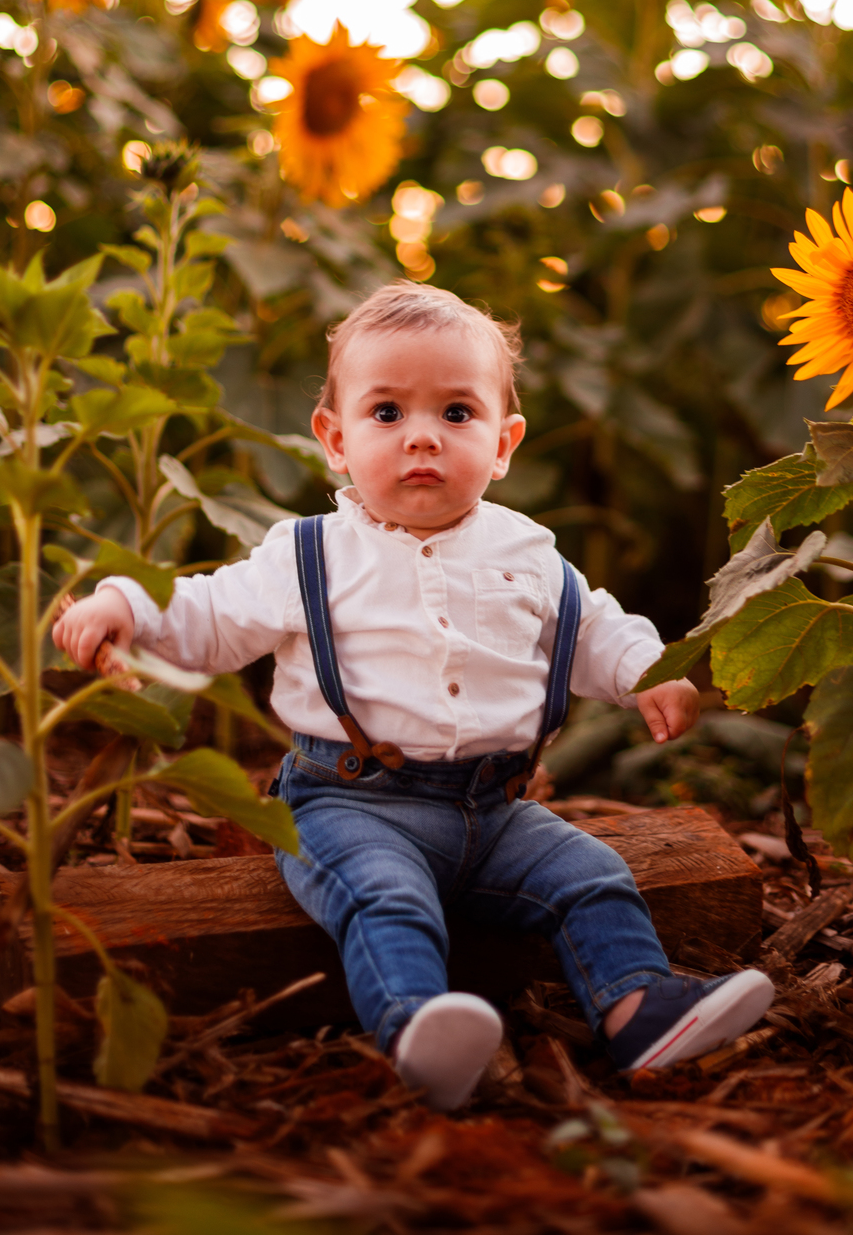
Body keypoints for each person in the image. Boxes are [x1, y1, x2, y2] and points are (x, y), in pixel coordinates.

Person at [54, 280, 773, 1109]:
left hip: (497, 810)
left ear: (504, 444)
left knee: (592, 874)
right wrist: (125, 606)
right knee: (383, 896)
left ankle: (641, 1009)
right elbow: (209, 613)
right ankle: (422, 1024)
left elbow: (591, 629)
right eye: (387, 413)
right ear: (334, 437)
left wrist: (651, 675)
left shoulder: (530, 555)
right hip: (349, 802)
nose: (422, 437)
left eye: (457, 414)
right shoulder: (309, 554)